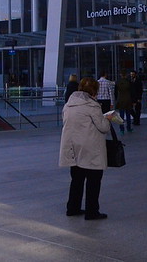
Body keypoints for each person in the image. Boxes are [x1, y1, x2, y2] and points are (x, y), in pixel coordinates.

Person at [59, 77, 115, 220]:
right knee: (93, 180)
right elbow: (102, 127)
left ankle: (72, 207)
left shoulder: (68, 104)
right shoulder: (92, 106)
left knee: (76, 179)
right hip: (90, 148)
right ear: (93, 91)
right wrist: (108, 119)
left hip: (73, 147)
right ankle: (92, 211)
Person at [114, 70, 133, 135]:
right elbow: (132, 91)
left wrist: (117, 99)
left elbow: (115, 92)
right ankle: (129, 128)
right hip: (128, 99)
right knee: (128, 115)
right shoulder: (129, 82)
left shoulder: (118, 82)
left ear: (120, 75)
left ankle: (122, 129)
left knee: (121, 116)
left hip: (120, 99)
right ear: (126, 75)